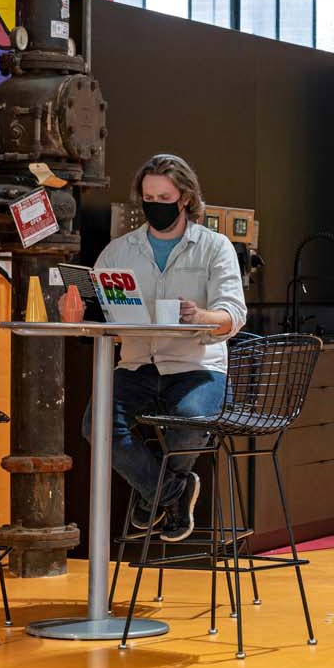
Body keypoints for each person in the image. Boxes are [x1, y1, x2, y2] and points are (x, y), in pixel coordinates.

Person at [65, 153, 246, 543]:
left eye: (164, 198)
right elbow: (99, 318)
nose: (154, 206)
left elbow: (234, 313)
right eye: (148, 198)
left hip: (197, 365)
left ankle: (155, 496)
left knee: (190, 421)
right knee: (96, 426)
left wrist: (200, 315)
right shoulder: (118, 251)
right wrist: (76, 313)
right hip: (135, 366)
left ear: (185, 198)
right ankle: (172, 493)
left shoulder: (214, 247)